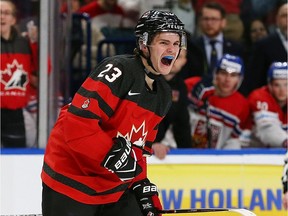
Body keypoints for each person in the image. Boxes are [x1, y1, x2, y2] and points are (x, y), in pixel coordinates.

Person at [41, 10, 187, 216]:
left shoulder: (163, 94)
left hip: (113, 187)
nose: (172, 50)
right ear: (144, 45)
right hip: (71, 180)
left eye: (176, 43)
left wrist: (140, 183)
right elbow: (76, 126)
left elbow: (138, 149)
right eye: (164, 43)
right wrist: (110, 154)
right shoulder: (118, 70)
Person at [186, 54, 250, 149]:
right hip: (180, 153)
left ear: (239, 79)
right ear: (215, 73)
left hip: (216, 160)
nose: (227, 79)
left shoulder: (242, 106)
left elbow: (236, 140)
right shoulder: (192, 85)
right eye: (224, 73)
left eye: (233, 75)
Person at [0, 0, 38, 148]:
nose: (1, 17)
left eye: (6, 13)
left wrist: (35, 44)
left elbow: (44, 71)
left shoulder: (25, 43)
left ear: (14, 19)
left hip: (16, 113)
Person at [180, 1, 243, 79]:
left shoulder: (236, 48)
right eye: (206, 19)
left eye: (214, 19)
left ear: (223, 22)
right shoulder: (191, 47)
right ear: (200, 21)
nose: (209, 23)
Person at [152, 49, 192, 160]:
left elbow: (182, 124)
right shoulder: (146, 80)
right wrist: (150, 144)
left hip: (156, 148)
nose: (173, 60)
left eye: (178, 57)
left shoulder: (181, 87)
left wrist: (188, 155)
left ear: (184, 61)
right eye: (170, 56)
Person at [247, 2, 288, 94]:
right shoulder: (263, 45)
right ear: (277, 20)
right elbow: (253, 80)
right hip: (270, 102)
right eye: (284, 16)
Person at [247, 62, 287, 148]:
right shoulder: (259, 97)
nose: (282, 90)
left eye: (286, 85)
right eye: (277, 85)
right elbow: (267, 129)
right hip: (250, 153)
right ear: (270, 85)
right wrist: (285, 141)